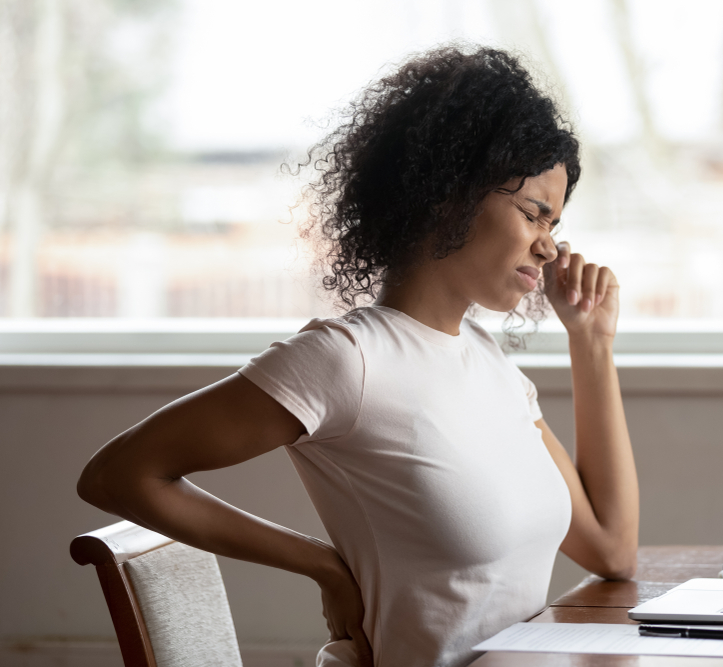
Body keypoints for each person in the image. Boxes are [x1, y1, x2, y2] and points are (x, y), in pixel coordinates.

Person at [77, 46, 638, 667]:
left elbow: (612, 551)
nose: (550, 249)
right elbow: (118, 475)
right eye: (535, 213)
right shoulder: (347, 360)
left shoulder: (490, 364)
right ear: (450, 192)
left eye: (556, 225)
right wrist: (321, 564)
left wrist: (591, 342)